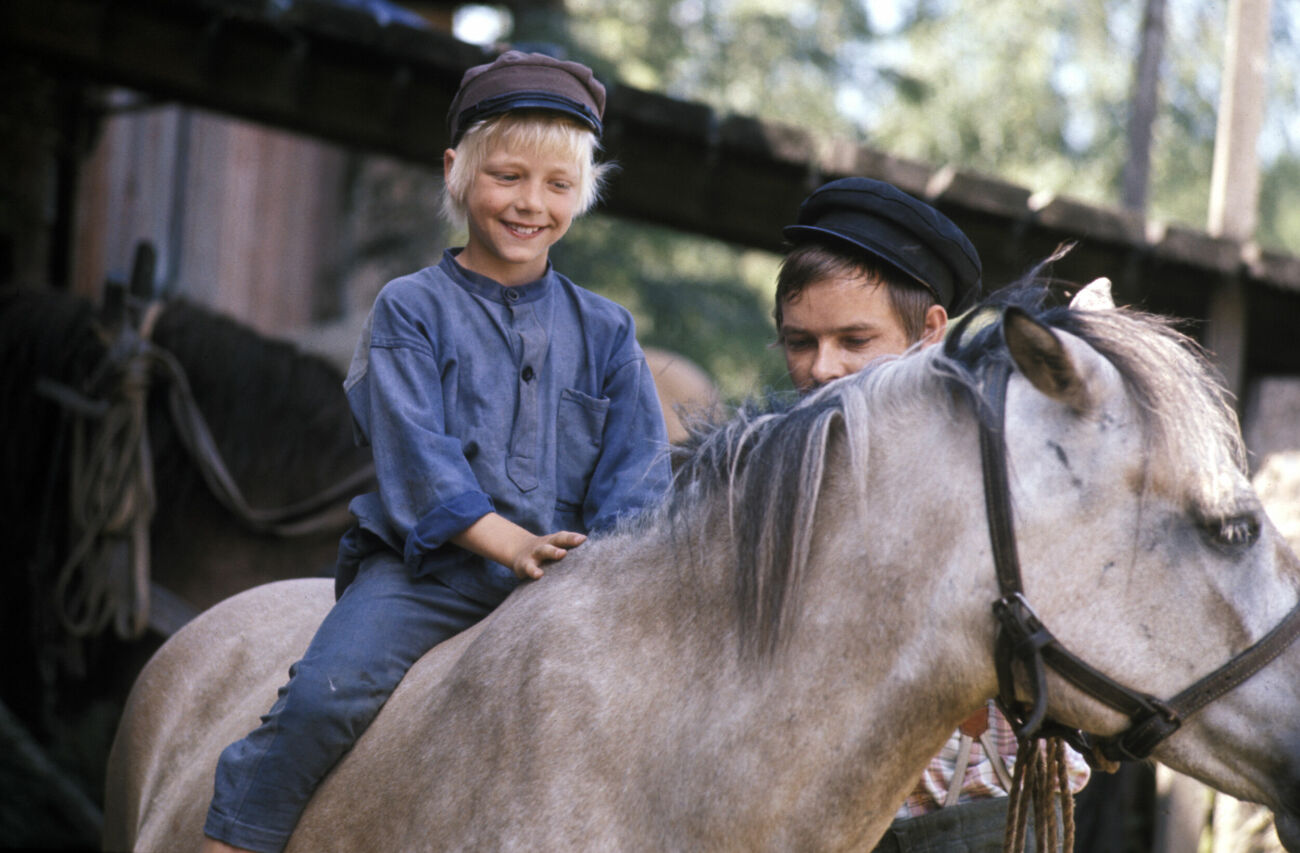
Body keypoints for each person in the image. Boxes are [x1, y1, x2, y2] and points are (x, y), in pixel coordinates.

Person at [200, 51, 672, 853]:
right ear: (457, 171)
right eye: (509, 177)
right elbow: (420, 462)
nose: (531, 203)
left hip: (572, 582)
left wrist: (608, 566)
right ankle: (235, 836)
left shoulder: (608, 331)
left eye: (558, 185)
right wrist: (511, 542)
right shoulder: (409, 310)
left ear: (583, 192)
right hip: (429, 576)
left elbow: (638, 474)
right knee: (324, 696)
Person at [773, 177, 1089, 851]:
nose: (823, 367)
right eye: (800, 342)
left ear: (930, 332)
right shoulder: (771, 490)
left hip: (1000, 814)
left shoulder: (1001, 471)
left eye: (855, 338)